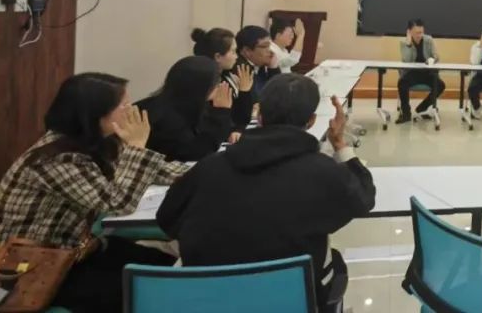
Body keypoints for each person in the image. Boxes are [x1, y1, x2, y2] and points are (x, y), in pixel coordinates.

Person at [157, 74, 376, 310]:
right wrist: (340, 143)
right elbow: (364, 198)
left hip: (207, 300)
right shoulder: (324, 172)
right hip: (291, 300)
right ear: (312, 121)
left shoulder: (208, 167)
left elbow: (167, 219)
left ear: (259, 115)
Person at [0, 73, 187, 313]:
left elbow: (161, 171)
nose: (131, 111)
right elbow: (117, 204)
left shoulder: (98, 142)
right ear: (95, 114)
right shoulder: (58, 158)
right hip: (33, 263)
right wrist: (138, 149)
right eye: (123, 106)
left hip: (76, 249)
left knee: (162, 262)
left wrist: (212, 169)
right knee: (135, 289)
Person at [138, 56, 235, 162]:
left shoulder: (190, 103)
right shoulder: (164, 117)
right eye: (216, 83)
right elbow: (196, 152)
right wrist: (221, 113)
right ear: (200, 87)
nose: (219, 86)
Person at [191, 27, 256, 131]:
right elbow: (234, 120)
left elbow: (242, 120)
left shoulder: (228, 76)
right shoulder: (205, 84)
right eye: (233, 51)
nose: (236, 56)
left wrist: (244, 92)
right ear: (218, 57)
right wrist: (244, 93)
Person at [397, 19, 445, 124]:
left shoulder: (428, 40)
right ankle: (406, 114)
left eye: (421, 32)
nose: (419, 35)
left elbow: (436, 56)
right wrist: (409, 45)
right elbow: (407, 60)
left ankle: (422, 108)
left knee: (440, 85)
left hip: (427, 72)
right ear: (409, 32)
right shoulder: (403, 42)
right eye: (417, 33)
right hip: (412, 73)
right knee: (402, 83)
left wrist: (432, 59)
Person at [235, 25, 280, 100]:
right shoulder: (241, 70)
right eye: (265, 46)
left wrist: (273, 68)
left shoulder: (259, 66)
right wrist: (274, 69)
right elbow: (271, 98)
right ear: (247, 51)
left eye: (270, 46)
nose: (271, 51)